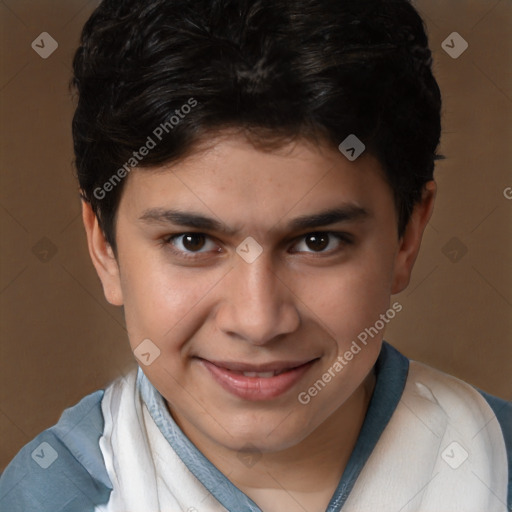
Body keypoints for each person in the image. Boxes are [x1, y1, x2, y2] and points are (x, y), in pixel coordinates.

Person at [1, 0, 510, 510]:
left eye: (318, 241)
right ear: (105, 248)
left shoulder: (495, 466)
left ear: (407, 236)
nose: (259, 321)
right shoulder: (45, 496)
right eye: (192, 242)